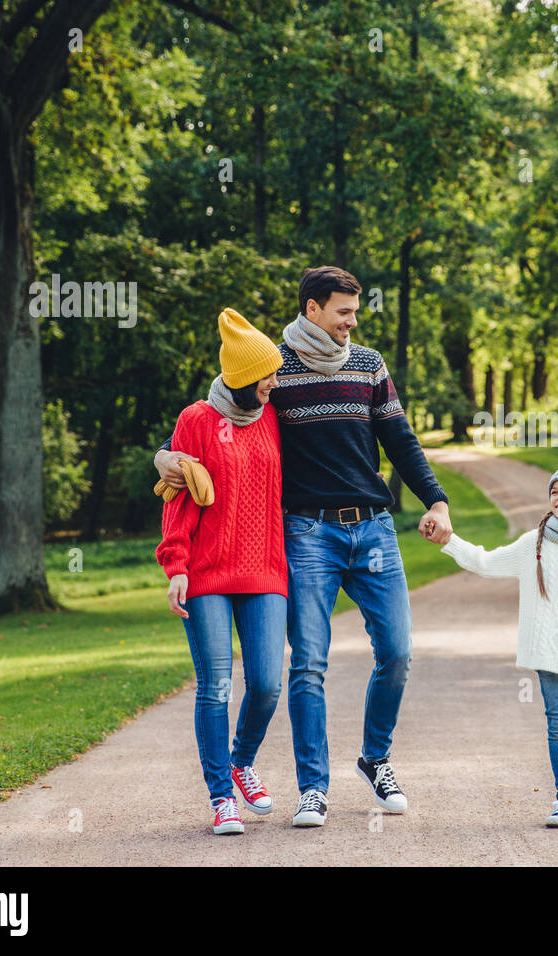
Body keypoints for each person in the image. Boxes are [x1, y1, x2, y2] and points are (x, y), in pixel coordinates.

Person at [154, 266, 453, 828]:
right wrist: (163, 456)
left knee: (398, 652)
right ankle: (313, 788)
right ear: (313, 309)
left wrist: (435, 499)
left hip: (374, 529)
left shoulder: (368, 364)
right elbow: (214, 421)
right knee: (307, 666)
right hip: (307, 533)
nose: (352, 322)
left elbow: (401, 439)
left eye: (355, 312)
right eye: (344, 311)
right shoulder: (273, 372)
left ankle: (376, 757)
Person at [430, 457, 558, 827]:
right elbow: (487, 563)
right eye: (554, 491)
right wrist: (450, 540)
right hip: (549, 652)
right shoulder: (534, 543)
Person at [156, 308, 286, 836]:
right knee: (215, 686)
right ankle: (220, 797)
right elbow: (179, 499)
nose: (274, 383)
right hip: (207, 573)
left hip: (265, 572)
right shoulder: (196, 420)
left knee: (267, 683)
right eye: (267, 376)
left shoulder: (274, 416)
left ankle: (241, 761)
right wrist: (176, 565)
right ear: (241, 378)